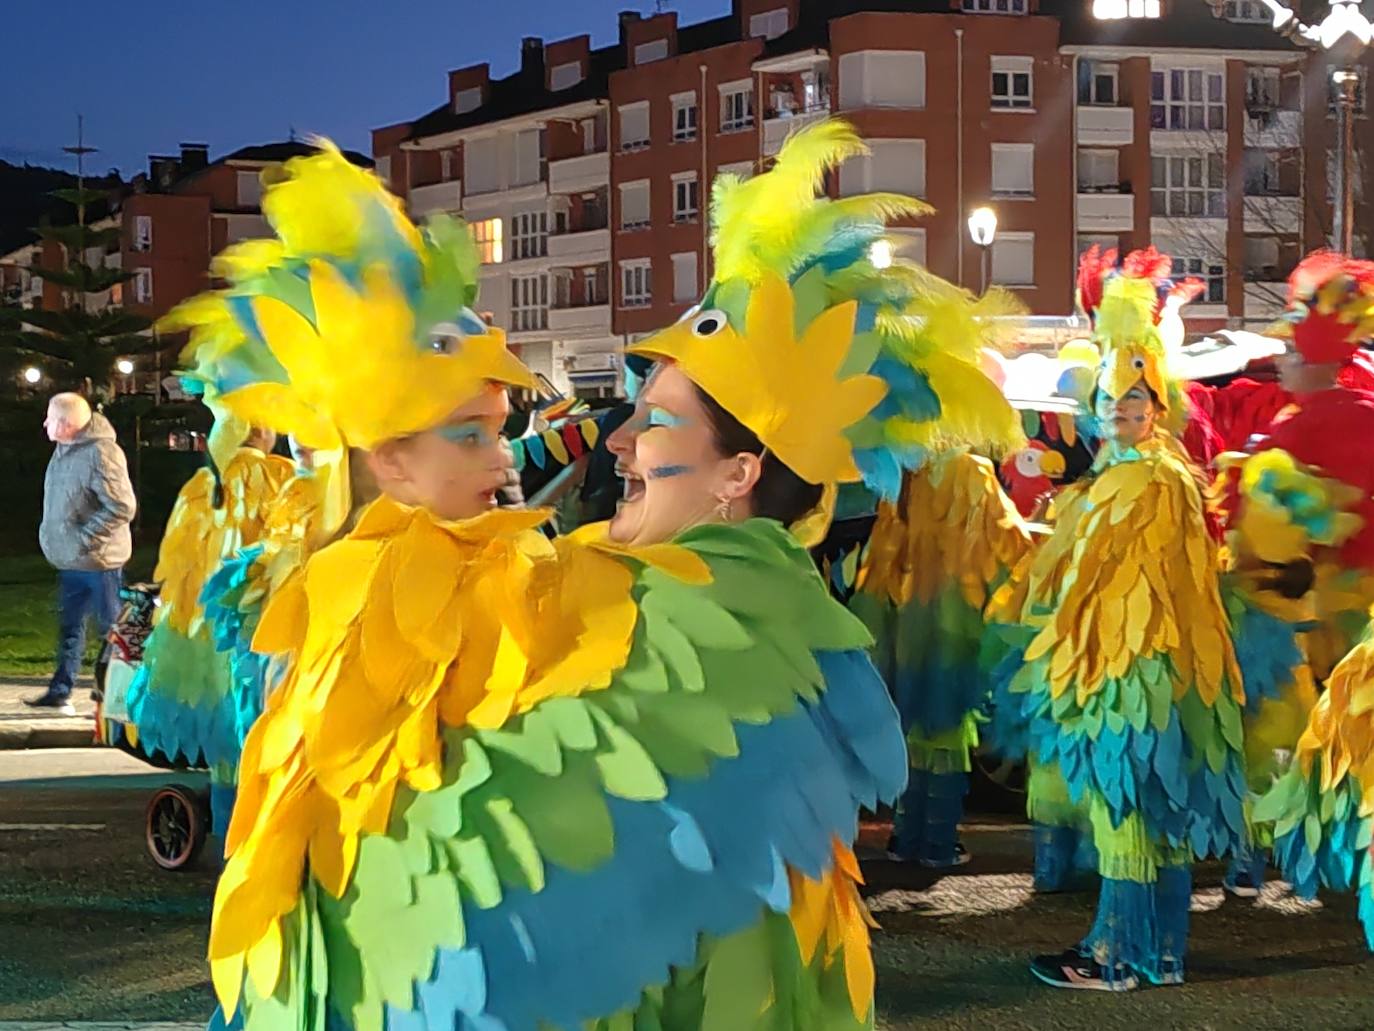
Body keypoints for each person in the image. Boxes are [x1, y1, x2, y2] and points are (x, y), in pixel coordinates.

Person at [200, 121, 1007, 1031]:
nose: (617, 440)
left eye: (654, 421)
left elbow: (522, 885)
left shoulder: (707, 623)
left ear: (739, 473)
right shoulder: (633, 583)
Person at [990, 254, 1254, 991]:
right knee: (1152, 823)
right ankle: (1158, 954)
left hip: (1128, 674)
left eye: (1133, 401)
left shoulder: (1145, 477)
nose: (1118, 412)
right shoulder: (1146, 472)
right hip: (1150, 674)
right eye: (1110, 400)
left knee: (1126, 818)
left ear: (1158, 405)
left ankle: (1118, 957)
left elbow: (1112, 581)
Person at [32, 391, 136, 714]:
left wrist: (84, 537)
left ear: (66, 424)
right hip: (72, 559)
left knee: (112, 631)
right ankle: (60, 691)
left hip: (100, 561)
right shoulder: (63, 450)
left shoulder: (102, 453)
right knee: (70, 627)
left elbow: (122, 506)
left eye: (51, 418)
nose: (45, 423)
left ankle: (121, 696)